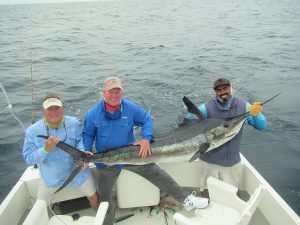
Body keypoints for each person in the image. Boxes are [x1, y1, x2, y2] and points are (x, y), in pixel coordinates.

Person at [83, 76, 209, 225]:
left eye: (117, 92)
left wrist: (146, 138)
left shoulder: (129, 108)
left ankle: (186, 200)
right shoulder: (92, 113)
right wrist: (86, 150)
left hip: (131, 155)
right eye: (111, 92)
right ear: (104, 93)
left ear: (122, 93)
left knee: (157, 172)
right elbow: (88, 134)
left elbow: (147, 119)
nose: (114, 95)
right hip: (106, 162)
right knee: (105, 198)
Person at [22, 93, 98, 209]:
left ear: (62, 109)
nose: (54, 112)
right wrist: (45, 149)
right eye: (49, 109)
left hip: (79, 173)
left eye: (56, 108)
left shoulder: (74, 123)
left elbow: (79, 142)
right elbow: (28, 159)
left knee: (93, 196)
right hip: (52, 177)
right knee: (40, 207)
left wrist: (83, 155)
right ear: (43, 111)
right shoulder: (32, 131)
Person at [196, 77, 267, 198]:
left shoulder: (245, 106)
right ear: (215, 92)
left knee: (233, 195)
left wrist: (257, 114)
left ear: (231, 88)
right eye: (219, 90)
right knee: (207, 193)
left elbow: (262, 126)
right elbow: (188, 122)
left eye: (225, 88)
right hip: (207, 160)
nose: (223, 92)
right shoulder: (205, 108)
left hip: (231, 162)